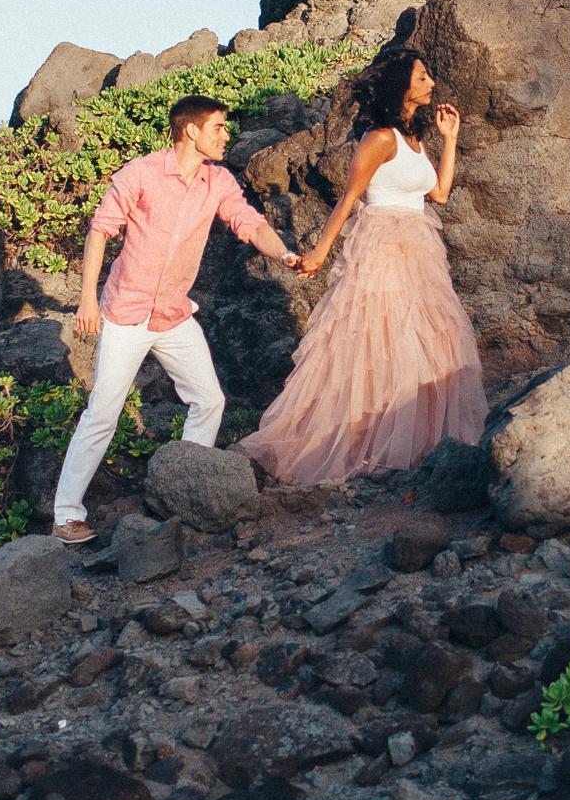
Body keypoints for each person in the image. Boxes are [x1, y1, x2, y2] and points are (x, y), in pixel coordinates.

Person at [53, 93, 298, 544]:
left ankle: (187, 492)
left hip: (173, 315)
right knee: (103, 414)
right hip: (125, 313)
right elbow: (100, 230)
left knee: (209, 400)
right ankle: (67, 514)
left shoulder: (218, 181)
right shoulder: (141, 173)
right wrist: (87, 300)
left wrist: (284, 254)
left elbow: (249, 222)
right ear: (192, 131)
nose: (228, 135)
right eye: (219, 127)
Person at [236, 48, 487, 486]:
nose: (430, 83)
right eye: (422, 77)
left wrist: (450, 138)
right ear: (402, 87)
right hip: (382, 246)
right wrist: (319, 253)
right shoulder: (381, 138)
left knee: (427, 339)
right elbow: (350, 197)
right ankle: (363, 445)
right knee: (381, 339)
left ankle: (417, 443)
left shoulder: (415, 139)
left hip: (420, 248)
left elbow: (441, 194)